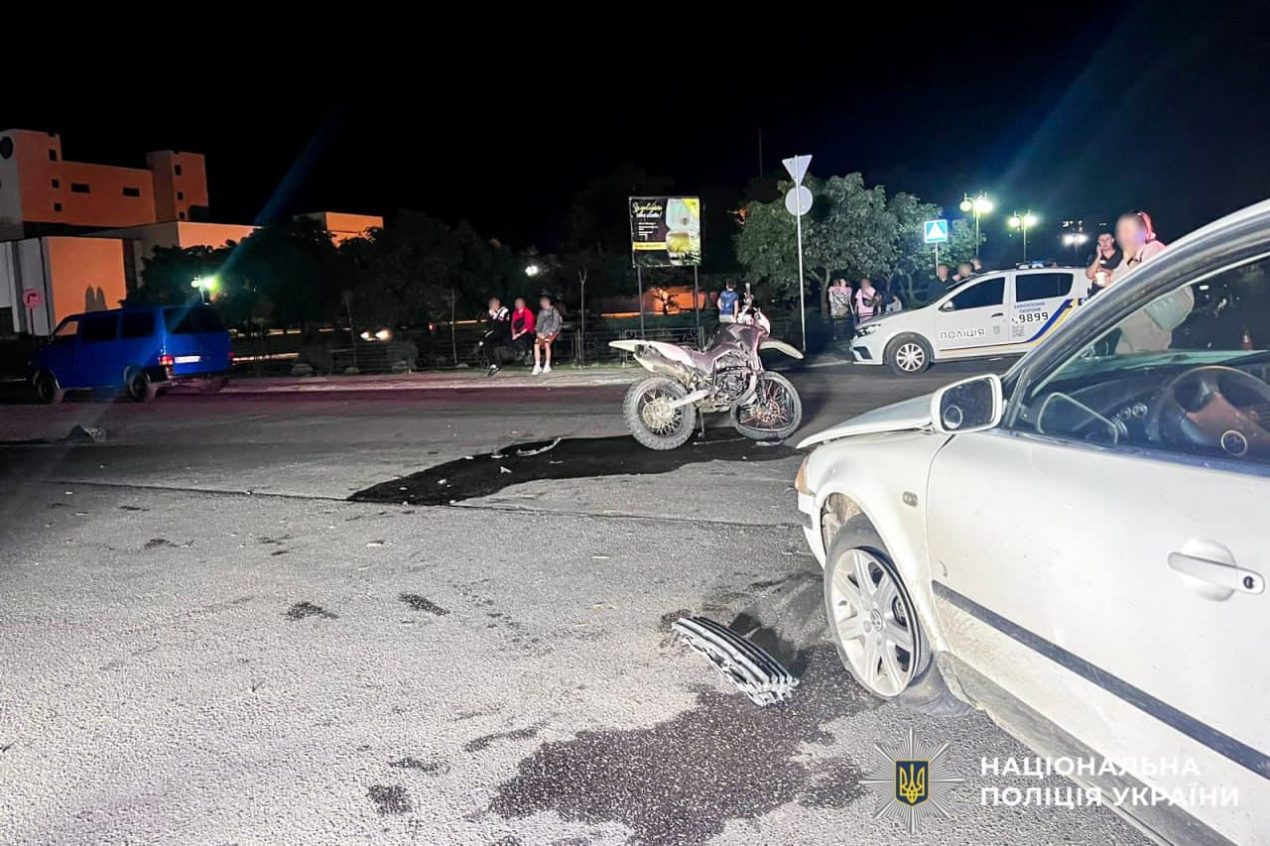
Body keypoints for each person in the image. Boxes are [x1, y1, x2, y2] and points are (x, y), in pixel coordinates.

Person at [1109, 211, 1190, 353]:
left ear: (1142, 233)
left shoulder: (1153, 248)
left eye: (1126, 230)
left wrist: (1130, 262)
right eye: (1119, 231)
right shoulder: (1129, 256)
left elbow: (1148, 278)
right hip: (1129, 337)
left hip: (1149, 333)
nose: (1121, 236)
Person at [533, 294, 563, 375]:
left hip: (552, 332)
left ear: (548, 302)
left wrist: (551, 332)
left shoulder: (554, 311)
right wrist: (538, 333)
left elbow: (556, 323)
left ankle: (547, 364)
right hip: (543, 332)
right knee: (536, 344)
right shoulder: (541, 312)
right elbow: (539, 324)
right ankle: (537, 364)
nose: (543, 304)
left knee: (546, 343)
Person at [484, 297, 511, 376]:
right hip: (495, 332)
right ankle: (492, 363)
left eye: (493, 304)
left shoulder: (504, 310)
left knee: (488, 340)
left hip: (503, 332)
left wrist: (494, 315)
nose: (492, 306)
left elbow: (501, 324)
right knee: (486, 340)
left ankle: (493, 363)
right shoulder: (493, 312)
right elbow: (490, 325)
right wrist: (491, 316)